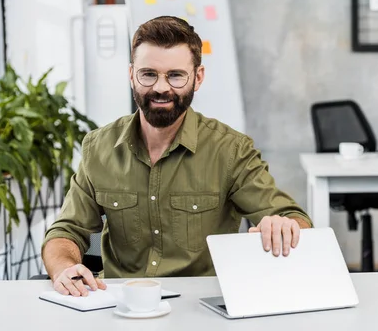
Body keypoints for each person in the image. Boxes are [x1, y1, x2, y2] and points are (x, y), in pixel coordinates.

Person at [41, 16, 312, 297]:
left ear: (198, 77)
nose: (161, 87)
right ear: (131, 74)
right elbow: (65, 231)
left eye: (175, 75)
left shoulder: (231, 150)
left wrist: (284, 226)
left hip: (203, 306)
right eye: (148, 74)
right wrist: (63, 267)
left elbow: (293, 218)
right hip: (121, 305)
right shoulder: (99, 147)